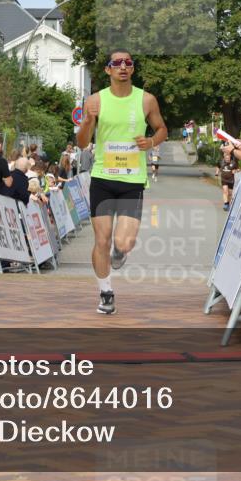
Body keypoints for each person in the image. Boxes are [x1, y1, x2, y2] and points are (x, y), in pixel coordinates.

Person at [77, 49, 167, 316]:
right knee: (101, 240)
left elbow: (162, 129)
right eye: (117, 63)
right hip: (103, 178)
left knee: (123, 243)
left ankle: (120, 252)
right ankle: (105, 292)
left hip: (132, 180)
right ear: (108, 70)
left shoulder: (146, 100)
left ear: (133, 69)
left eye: (128, 63)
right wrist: (88, 121)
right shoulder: (95, 100)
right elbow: (82, 143)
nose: (123, 67)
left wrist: (151, 142)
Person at [216, 145, 239, 212]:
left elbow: (239, 169)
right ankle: (226, 204)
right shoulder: (221, 162)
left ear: (230, 157)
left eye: (228, 158)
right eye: (226, 158)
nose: (227, 159)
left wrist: (236, 171)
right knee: (225, 191)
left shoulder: (234, 163)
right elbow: (218, 166)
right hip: (224, 180)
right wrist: (217, 172)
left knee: (230, 193)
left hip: (231, 180)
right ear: (224, 158)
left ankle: (230, 204)